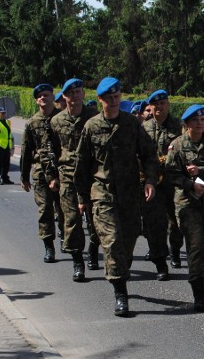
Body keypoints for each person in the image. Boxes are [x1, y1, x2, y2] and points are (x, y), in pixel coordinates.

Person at [74, 77, 159, 317]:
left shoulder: (132, 124)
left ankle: (121, 271)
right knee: (111, 241)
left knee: (128, 242)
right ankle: (120, 292)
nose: (113, 101)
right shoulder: (91, 127)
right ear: (100, 100)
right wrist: (82, 197)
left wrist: (150, 180)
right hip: (103, 193)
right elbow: (82, 165)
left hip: (130, 194)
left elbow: (149, 155)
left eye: (117, 97)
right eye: (108, 98)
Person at [165, 105, 204, 311]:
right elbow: (170, 174)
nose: (200, 123)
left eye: (203, 120)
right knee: (195, 245)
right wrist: (189, 183)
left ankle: (202, 274)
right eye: (195, 120)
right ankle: (198, 291)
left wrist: (202, 170)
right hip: (187, 202)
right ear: (187, 124)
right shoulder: (177, 145)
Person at [50, 78, 102, 281]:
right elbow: (52, 150)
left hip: (91, 177)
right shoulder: (56, 121)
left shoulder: (93, 118)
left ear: (83, 94)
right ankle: (78, 262)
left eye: (78, 92)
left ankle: (94, 249)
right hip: (68, 178)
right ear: (64, 96)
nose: (75, 96)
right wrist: (52, 176)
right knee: (71, 222)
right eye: (70, 93)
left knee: (96, 221)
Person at [141, 89, 184, 280]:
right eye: (156, 104)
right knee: (155, 224)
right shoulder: (144, 127)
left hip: (174, 181)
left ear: (168, 105)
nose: (159, 107)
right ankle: (161, 263)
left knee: (176, 222)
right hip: (152, 181)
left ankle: (175, 249)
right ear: (150, 107)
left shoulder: (180, 126)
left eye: (163, 103)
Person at [19, 83, 62, 263]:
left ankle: (68, 240)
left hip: (62, 171)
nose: (43, 98)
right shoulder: (32, 123)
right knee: (45, 210)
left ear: (53, 97)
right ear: (37, 100)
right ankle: (49, 247)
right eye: (40, 96)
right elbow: (26, 151)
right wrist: (24, 176)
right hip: (40, 173)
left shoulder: (62, 118)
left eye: (46, 95)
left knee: (65, 210)